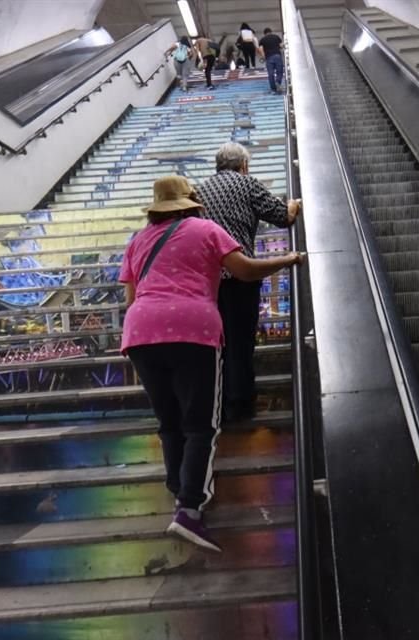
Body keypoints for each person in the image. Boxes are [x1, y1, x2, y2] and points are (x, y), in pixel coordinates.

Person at [120, 175, 304, 552]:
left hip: (141, 333)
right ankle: (190, 509)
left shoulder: (137, 242)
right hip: (193, 331)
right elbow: (244, 270)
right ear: (191, 202)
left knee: (169, 422)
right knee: (202, 424)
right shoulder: (206, 229)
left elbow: (131, 295)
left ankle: (180, 491)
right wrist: (288, 260)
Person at [196, 143, 302, 423]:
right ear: (243, 166)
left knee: (218, 345)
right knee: (241, 344)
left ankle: (216, 407)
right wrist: (293, 204)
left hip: (206, 284)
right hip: (240, 277)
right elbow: (282, 216)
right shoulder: (246, 184)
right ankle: (239, 405)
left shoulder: (199, 192)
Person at [258, 28, 284, 94]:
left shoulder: (262, 40)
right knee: (279, 71)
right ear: (271, 32)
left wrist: (263, 56)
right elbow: (281, 45)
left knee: (271, 73)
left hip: (269, 58)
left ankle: (273, 88)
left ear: (264, 33)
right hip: (277, 56)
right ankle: (278, 82)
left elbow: (260, 49)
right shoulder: (276, 37)